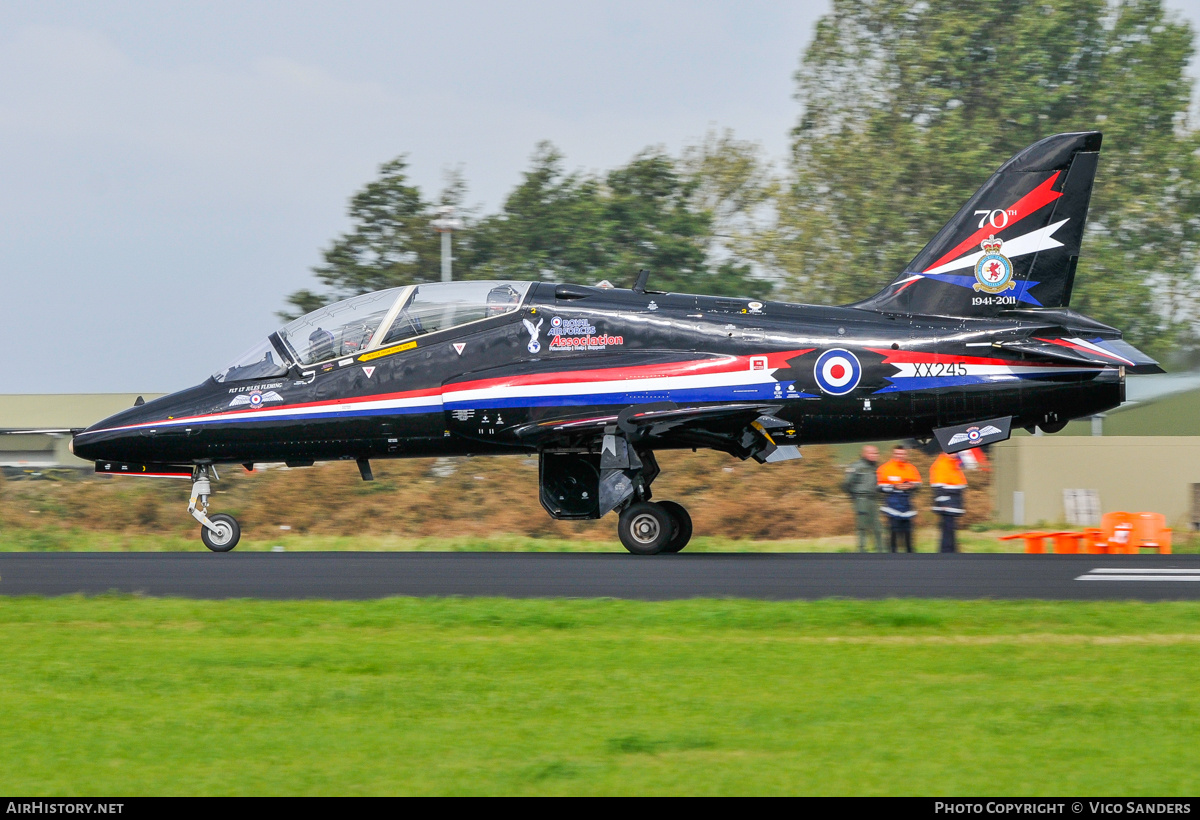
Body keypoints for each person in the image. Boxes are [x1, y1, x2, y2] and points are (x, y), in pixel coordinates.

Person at [876, 445, 922, 553]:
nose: (899, 456)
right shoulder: (885, 468)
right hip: (892, 505)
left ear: (906, 454)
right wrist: (894, 487)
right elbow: (879, 487)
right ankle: (892, 556)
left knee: (909, 535)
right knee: (893, 533)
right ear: (893, 454)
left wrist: (911, 486)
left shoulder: (911, 468)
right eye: (897, 454)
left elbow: (919, 484)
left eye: (902, 454)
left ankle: (910, 557)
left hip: (907, 504)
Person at [843, 445, 883, 552]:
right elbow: (846, 484)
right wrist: (855, 497)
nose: (875, 455)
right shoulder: (856, 466)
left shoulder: (876, 467)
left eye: (876, 453)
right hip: (861, 499)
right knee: (862, 527)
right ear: (865, 453)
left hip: (873, 500)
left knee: (877, 527)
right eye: (872, 453)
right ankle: (861, 551)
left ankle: (881, 550)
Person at [930, 452, 968, 553]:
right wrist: (943, 504)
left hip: (952, 505)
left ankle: (950, 551)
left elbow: (959, 484)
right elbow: (938, 486)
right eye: (954, 451)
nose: (956, 454)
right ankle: (946, 553)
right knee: (947, 530)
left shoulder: (953, 464)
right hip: (947, 505)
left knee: (950, 530)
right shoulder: (942, 464)